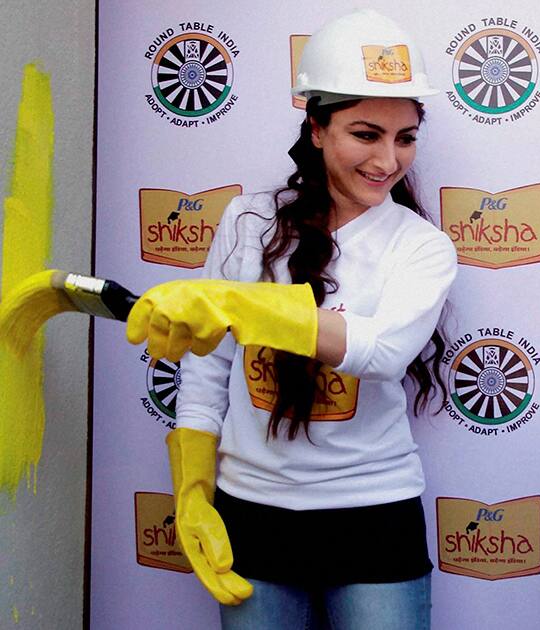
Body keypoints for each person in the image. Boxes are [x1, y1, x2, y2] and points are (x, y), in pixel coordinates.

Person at [126, 10, 455, 630]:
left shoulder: (422, 247)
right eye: (366, 133)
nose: (389, 159)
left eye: (405, 137)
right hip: (253, 512)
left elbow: (382, 352)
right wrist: (193, 488)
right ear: (316, 127)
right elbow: (206, 370)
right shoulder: (248, 223)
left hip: (374, 516)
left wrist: (239, 305)